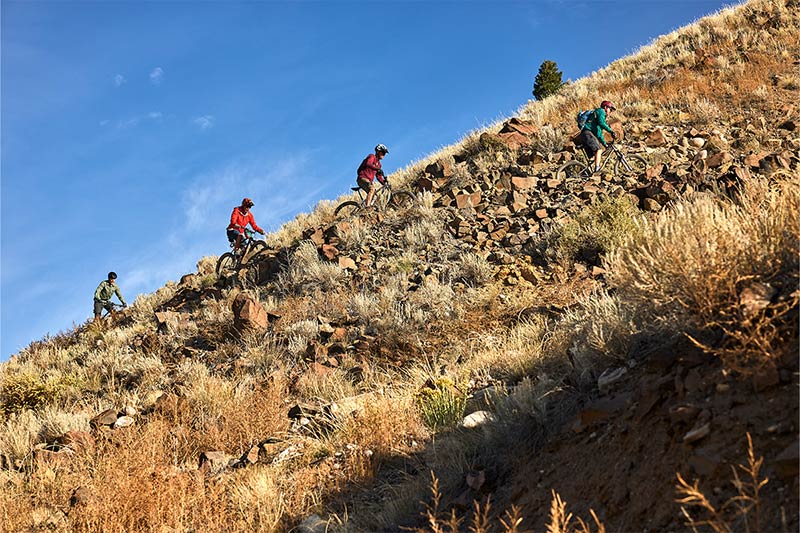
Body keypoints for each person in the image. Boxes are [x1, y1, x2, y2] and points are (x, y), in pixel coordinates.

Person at [579, 100, 617, 173]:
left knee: (594, 156)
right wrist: (611, 131)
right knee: (599, 150)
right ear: (605, 107)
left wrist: (604, 144)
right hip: (587, 133)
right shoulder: (601, 111)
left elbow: (599, 133)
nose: (610, 111)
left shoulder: (597, 117)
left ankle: (587, 173)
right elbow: (601, 123)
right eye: (610, 109)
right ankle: (597, 170)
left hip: (585, 134)